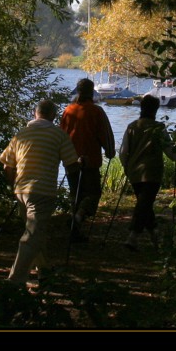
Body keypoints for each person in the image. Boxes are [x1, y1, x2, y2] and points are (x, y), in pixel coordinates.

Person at [0, 99, 81, 287]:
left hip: (21, 191)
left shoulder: (21, 134)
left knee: (35, 233)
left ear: (35, 114)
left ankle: (44, 271)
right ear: (53, 115)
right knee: (32, 236)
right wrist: (80, 164)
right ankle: (15, 280)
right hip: (43, 191)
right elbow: (72, 165)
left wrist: (13, 186)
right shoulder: (59, 135)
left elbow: (7, 166)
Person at [118, 94, 176, 251]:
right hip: (152, 172)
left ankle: (153, 234)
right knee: (144, 203)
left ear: (141, 108)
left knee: (144, 204)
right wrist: (175, 156)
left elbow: (124, 151)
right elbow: (169, 149)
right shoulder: (158, 128)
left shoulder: (132, 126)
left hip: (135, 172)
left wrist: (126, 167)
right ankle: (133, 237)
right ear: (156, 109)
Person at [59, 78, 115, 242]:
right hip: (90, 161)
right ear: (92, 92)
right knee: (92, 194)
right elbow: (105, 134)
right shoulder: (96, 111)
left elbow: (62, 135)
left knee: (75, 195)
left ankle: (75, 229)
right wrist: (110, 151)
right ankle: (77, 220)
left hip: (70, 161)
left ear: (77, 91)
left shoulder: (68, 110)